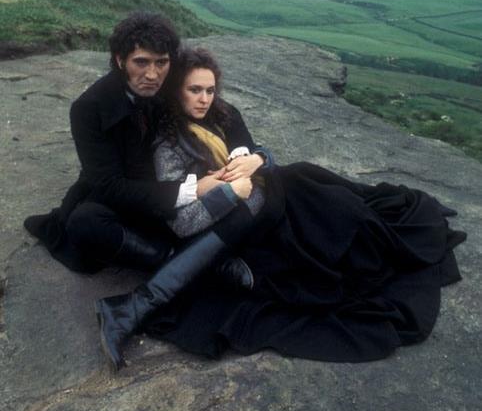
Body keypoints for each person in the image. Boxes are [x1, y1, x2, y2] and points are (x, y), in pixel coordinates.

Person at [95, 46, 466, 370]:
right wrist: (230, 193)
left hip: (272, 198)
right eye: (194, 90)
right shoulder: (168, 146)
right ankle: (131, 308)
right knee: (331, 245)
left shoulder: (221, 115)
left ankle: (387, 211)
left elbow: (255, 150)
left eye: (210, 90)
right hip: (250, 222)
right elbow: (182, 224)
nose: (204, 98)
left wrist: (256, 160)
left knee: (337, 205)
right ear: (177, 90)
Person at [23, 13, 261, 278]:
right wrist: (193, 190)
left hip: (172, 177)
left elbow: (224, 111)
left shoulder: (169, 80)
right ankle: (180, 262)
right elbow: (108, 186)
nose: (152, 74)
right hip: (130, 195)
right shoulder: (89, 108)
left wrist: (246, 155)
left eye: (161, 62)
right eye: (141, 62)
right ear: (120, 60)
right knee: (85, 223)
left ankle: (195, 254)